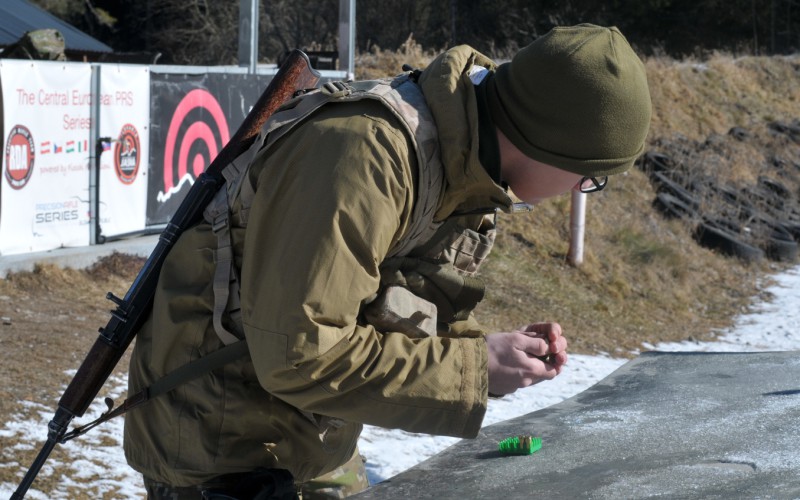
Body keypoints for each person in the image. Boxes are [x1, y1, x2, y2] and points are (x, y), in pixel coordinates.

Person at [124, 23, 651, 499]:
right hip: (221, 450)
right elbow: (300, 355)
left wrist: (489, 357)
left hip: (311, 437)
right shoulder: (364, 156)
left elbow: (386, 301)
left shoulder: (464, 163)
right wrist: (470, 371)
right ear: (546, 145)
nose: (581, 190)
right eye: (591, 176)